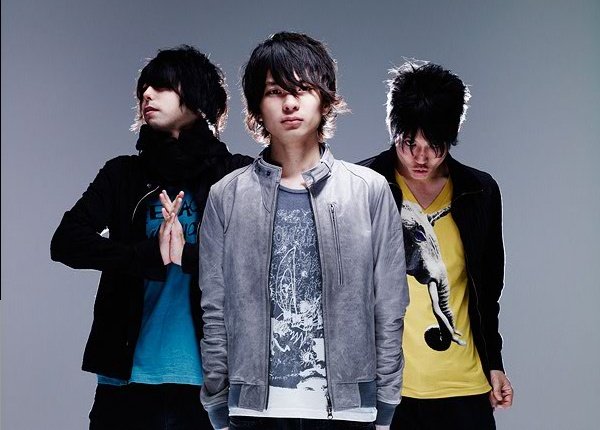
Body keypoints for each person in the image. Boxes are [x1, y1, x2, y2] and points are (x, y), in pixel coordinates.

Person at [198, 32, 409, 430]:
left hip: (348, 410)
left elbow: (389, 302)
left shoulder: (369, 190)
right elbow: (215, 307)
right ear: (257, 107)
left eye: (303, 89)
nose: (290, 103)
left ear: (325, 100)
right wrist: (217, 399)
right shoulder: (226, 195)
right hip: (252, 411)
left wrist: (385, 399)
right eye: (275, 91)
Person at [50, 45, 252, 430]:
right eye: (144, 88)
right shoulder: (122, 175)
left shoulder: (236, 175)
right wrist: (144, 255)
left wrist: (187, 256)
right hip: (126, 382)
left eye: (162, 87)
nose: (146, 95)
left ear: (197, 97)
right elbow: (66, 242)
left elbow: (262, 261)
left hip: (213, 384)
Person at [360, 61, 514, 429]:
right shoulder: (361, 186)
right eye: (409, 144)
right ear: (394, 130)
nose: (421, 157)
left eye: (435, 146)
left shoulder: (479, 192)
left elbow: (486, 293)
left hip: (464, 388)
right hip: (387, 391)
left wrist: (494, 364)